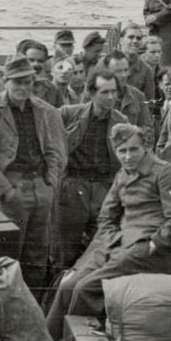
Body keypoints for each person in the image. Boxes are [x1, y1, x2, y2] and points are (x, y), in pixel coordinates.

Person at [43, 123, 171, 337]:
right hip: (117, 245)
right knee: (68, 286)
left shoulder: (165, 173)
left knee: (84, 289)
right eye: (122, 151)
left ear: (145, 148)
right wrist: (110, 238)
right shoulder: (122, 175)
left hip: (145, 251)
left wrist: (154, 244)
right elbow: (106, 215)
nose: (128, 156)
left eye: (133, 150)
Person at [0, 55, 67, 293]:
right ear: (6, 81)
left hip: (40, 187)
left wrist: (50, 184)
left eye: (27, 82)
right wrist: (5, 192)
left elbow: (56, 151)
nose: (23, 88)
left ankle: (33, 311)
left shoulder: (45, 111)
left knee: (37, 256)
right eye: (17, 82)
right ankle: (3, 314)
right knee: (5, 257)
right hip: (11, 186)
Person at [55, 69, 130, 270]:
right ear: (92, 92)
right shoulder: (69, 114)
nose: (111, 97)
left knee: (103, 247)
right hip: (73, 187)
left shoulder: (121, 121)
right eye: (105, 92)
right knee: (65, 248)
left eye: (114, 91)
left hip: (105, 189)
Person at [103, 49, 155, 144]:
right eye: (118, 71)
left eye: (126, 70)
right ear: (107, 72)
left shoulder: (138, 96)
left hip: (130, 150)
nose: (123, 75)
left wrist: (132, 131)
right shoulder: (97, 95)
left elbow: (148, 130)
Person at [120, 21, 158, 107]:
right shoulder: (105, 64)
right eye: (131, 37)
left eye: (138, 38)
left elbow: (149, 103)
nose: (135, 41)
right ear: (121, 40)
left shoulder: (146, 70)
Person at [16, 38, 62, 107]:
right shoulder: (13, 87)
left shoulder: (52, 89)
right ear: (22, 61)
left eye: (40, 61)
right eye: (31, 60)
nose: (36, 64)